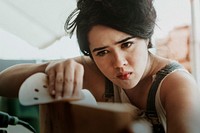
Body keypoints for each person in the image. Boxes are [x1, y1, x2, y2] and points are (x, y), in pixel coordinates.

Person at [0, 0, 200, 132]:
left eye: (126, 44)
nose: (119, 62)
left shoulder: (176, 85)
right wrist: (53, 68)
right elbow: (3, 82)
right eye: (102, 52)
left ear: (146, 38)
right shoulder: (93, 72)